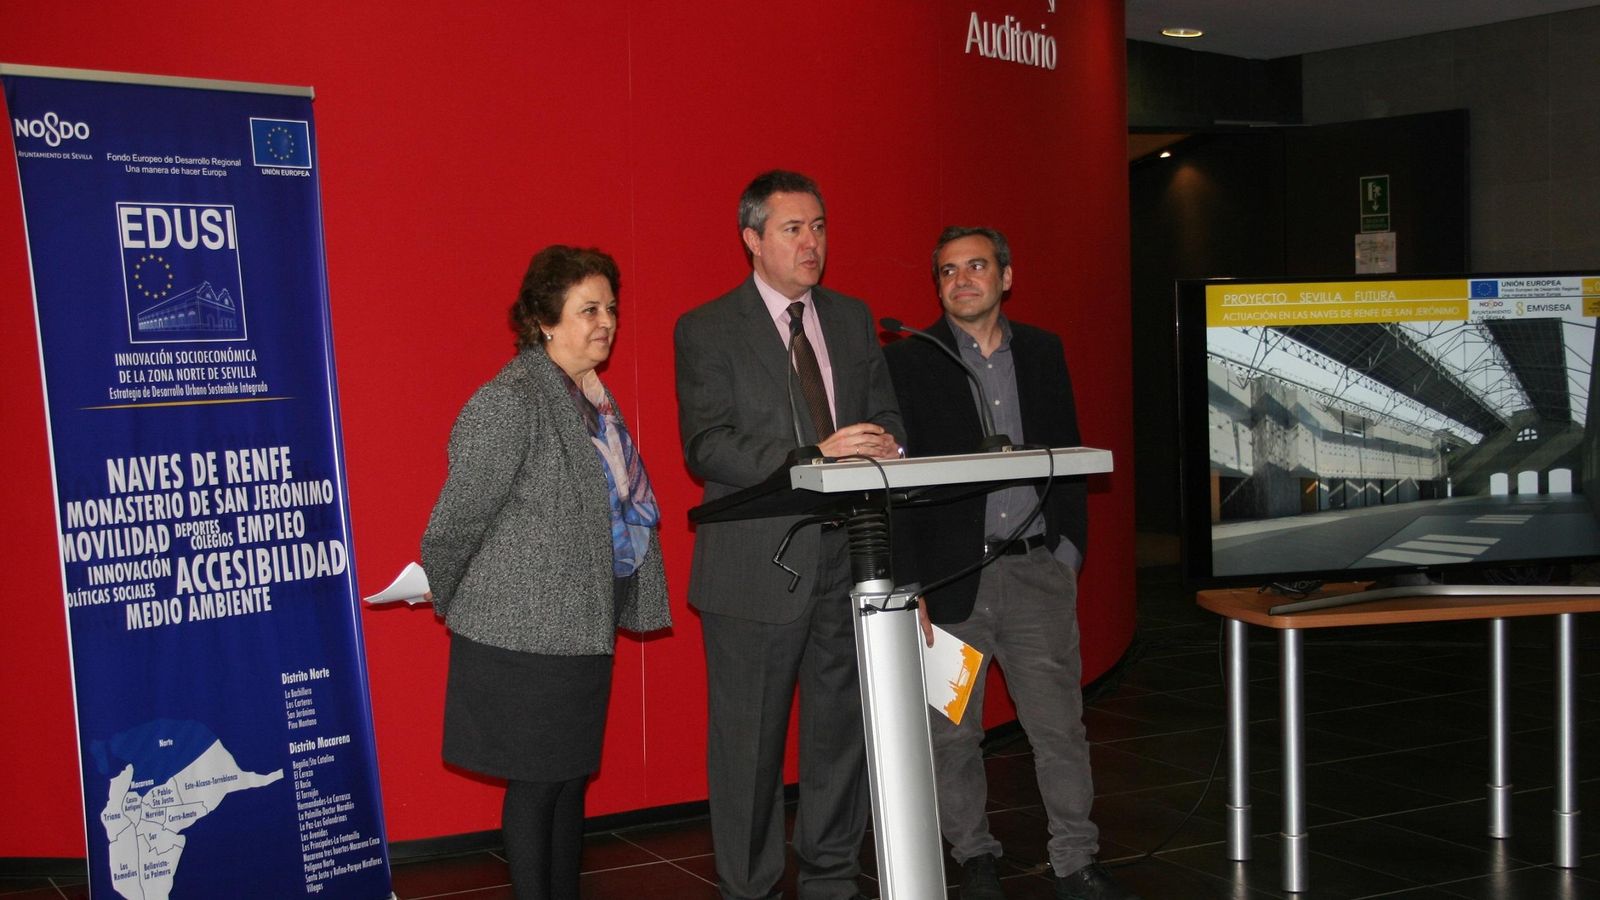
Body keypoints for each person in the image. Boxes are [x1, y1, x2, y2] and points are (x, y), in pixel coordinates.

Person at [883, 227, 1140, 900]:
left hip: (1036, 575)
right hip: (950, 582)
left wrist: (1068, 552)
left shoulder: (1044, 352)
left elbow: (1070, 455)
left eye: (975, 266)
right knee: (952, 736)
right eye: (947, 271)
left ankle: (1075, 861)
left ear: (1006, 276)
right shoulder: (912, 361)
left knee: (1059, 728)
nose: (961, 279)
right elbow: (898, 483)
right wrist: (914, 584)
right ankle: (975, 857)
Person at [674, 170, 903, 900]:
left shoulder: (852, 315)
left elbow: (890, 419)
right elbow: (708, 445)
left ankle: (832, 878)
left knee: (840, 737)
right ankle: (750, 887)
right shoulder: (707, 328)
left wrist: (884, 445)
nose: (813, 243)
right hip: (754, 567)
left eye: (821, 226)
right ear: (752, 239)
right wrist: (812, 458)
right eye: (794, 229)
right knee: (749, 751)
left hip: (848, 556)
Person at [422, 245, 671, 900]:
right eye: (588, 309)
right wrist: (453, 598)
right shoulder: (509, 403)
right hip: (522, 635)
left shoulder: (594, 402)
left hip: (582, 623)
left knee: (565, 781)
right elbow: (456, 522)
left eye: (611, 308)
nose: (606, 322)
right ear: (543, 320)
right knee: (537, 786)